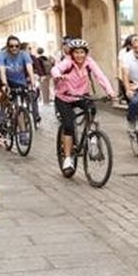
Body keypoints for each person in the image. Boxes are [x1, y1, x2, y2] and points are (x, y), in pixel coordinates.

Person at [51, 39, 117, 175]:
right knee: (69, 125)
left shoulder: (89, 62)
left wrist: (110, 92)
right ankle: (68, 158)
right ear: (71, 53)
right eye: (76, 52)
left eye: (82, 52)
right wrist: (58, 75)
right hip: (64, 97)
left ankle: (92, 137)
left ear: (86, 53)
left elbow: (100, 76)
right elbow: (55, 69)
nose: (79, 55)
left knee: (92, 109)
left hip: (81, 96)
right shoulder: (68, 62)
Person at [0, 35, 40, 124]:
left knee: (20, 102)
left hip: (20, 81)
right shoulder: (2, 55)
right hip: (5, 79)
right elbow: (2, 71)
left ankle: (21, 123)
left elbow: (29, 69)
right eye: (11, 46)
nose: (14, 48)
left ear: (20, 46)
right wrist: (4, 84)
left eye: (17, 46)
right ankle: (2, 114)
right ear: (7, 46)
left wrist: (33, 84)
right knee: (5, 94)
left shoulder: (24, 54)